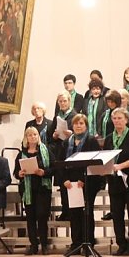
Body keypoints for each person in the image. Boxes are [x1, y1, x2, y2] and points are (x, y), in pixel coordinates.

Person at [105, 107, 129, 255]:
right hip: (115, 181)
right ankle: (121, 244)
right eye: (114, 118)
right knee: (117, 214)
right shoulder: (109, 138)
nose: (117, 121)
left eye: (120, 118)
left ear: (126, 120)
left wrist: (119, 166)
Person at [59, 114, 102, 251]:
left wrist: (83, 180)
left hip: (87, 182)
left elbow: (94, 163)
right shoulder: (66, 142)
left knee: (86, 213)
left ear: (86, 125)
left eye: (81, 123)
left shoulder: (91, 141)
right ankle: (76, 243)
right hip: (70, 184)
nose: (78, 126)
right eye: (76, 123)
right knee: (74, 214)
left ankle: (88, 243)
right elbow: (60, 163)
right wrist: (64, 179)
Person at [14, 126, 52, 255]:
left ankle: (44, 244)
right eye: (30, 135)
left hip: (43, 189)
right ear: (26, 138)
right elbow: (15, 173)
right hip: (28, 190)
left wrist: (44, 172)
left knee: (42, 216)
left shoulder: (45, 150)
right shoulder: (21, 154)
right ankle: (33, 245)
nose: (33, 137)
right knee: (30, 218)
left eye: (35, 134)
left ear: (38, 136)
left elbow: (54, 168)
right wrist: (20, 173)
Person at [47, 91, 75, 221]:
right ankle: (65, 211)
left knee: (71, 183)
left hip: (71, 152)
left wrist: (72, 134)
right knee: (63, 183)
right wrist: (54, 135)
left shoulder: (74, 115)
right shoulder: (56, 117)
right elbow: (51, 137)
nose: (62, 103)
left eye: (64, 101)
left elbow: (82, 133)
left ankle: (72, 212)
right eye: (60, 101)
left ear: (69, 101)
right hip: (60, 152)